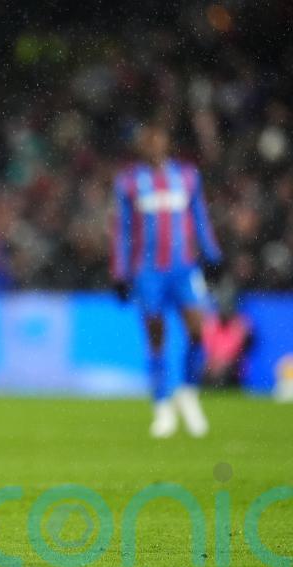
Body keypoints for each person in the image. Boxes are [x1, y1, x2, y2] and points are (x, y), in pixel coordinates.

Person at [112, 122, 222, 438]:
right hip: (148, 273)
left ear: (166, 142)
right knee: (156, 338)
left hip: (185, 270)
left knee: (198, 331)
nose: (153, 145)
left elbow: (200, 218)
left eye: (158, 139)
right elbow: (123, 231)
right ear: (141, 147)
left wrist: (213, 256)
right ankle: (162, 407)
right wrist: (120, 273)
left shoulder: (187, 176)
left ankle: (188, 393)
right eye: (147, 141)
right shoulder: (130, 182)